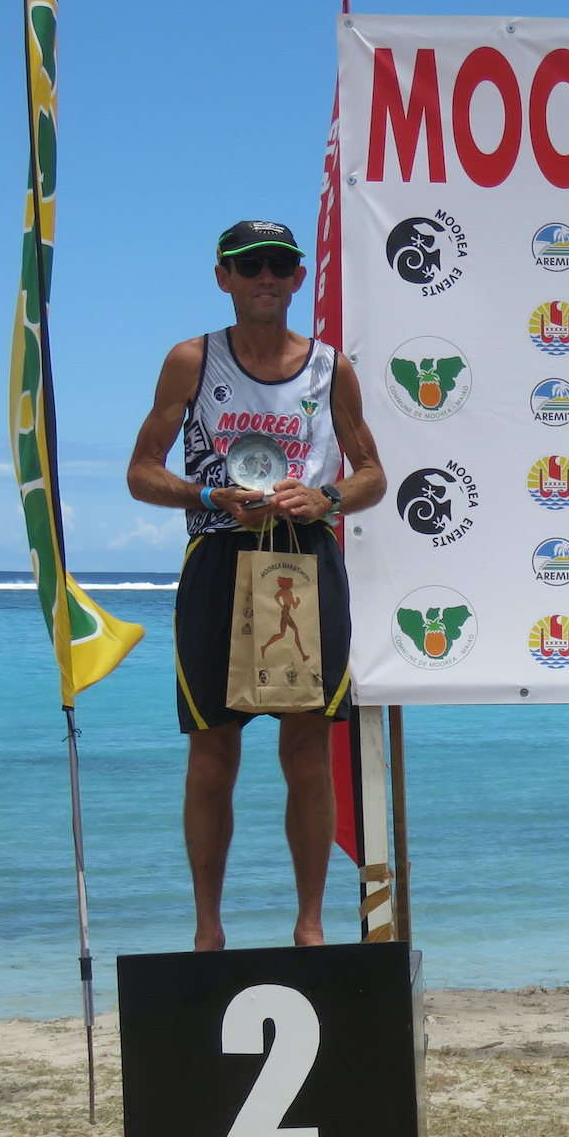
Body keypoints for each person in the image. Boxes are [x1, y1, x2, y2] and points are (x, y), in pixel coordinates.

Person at [127, 220, 386, 951]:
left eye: (279, 265)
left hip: (304, 559)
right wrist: (209, 498)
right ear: (224, 278)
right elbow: (141, 472)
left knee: (307, 750)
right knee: (213, 752)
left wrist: (327, 498)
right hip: (220, 554)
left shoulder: (331, 369)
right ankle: (208, 933)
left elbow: (372, 475)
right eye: (249, 267)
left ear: (298, 278)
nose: (265, 277)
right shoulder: (192, 360)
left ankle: (310, 928)